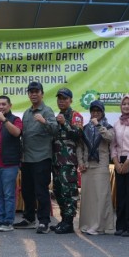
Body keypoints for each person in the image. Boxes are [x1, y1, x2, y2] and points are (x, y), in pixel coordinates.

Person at [16, 81, 58, 234]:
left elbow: (55, 130)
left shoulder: (47, 111)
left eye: (36, 91)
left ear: (42, 93)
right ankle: (28, 218)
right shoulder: (27, 113)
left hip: (41, 158)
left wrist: (44, 121)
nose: (33, 94)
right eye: (31, 92)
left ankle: (44, 221)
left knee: (41, 191)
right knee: (27, 191)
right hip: (26, 158)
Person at [103, 95, 129, 236]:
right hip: (119, 162)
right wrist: (116, 162)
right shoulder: (117, 123)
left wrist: (128, 162)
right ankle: (120, 226)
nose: (126, 106)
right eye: (124, 104)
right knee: (121, 194)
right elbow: (113, 144)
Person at [78, 99, 117, 235]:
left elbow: (110, 138)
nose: (95, 113)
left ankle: (99, 226)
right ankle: (87, 224)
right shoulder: (85, 128)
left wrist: (99, 126)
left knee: (101, 196)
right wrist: (81, 162)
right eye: (93, 111)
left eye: (98, 111)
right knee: (88, 197)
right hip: (88, 166)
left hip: (101, 165)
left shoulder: (108, 126)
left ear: (102, 112)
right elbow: (80, 147)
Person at [0, 96, 23, 232]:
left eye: (3, 104)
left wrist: (4, 120)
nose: (1, 107)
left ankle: (8, 222)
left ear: (10, 105)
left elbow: (17, 133)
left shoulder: (15, 119)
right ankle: (0, 220)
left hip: (9, 163)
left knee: (8, 194)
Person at [51, 88, 84, 234]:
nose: (61, 101)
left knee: (69, 192)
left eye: (64, 99)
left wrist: (65, 123)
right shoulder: (57, 115)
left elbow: (78, 135)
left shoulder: (75, 115)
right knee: (58, 191)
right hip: (56, 161)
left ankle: (69, 222)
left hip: (68, 162)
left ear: (70, 100)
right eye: (59, 99)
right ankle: (63, 220)